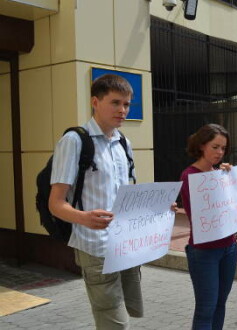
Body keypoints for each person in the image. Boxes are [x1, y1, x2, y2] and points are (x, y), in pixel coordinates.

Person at [49, 74, 146, 329]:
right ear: (95, 101)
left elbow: (127, 194)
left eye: (126, 104)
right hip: (95, 247)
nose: (123, 110)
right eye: (115, 103)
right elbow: (55, 203)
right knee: (114, 321)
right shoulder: (74, 141)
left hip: (125, 243)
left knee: (129, 309)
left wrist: (157, 209)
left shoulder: (125, 142)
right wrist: (84, 218)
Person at [179, 124, 237, 330]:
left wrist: (230, 179)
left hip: (229, 247)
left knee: (220, 304)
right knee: (206, 308)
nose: (220, 152)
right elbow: (196, 214)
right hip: (204, 251)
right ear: (202, 145)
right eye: (215, 147)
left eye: (223, 148)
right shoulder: (189, 175)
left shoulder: (220, 173)